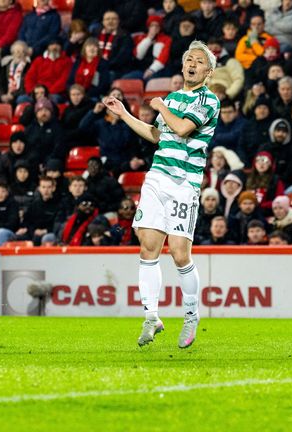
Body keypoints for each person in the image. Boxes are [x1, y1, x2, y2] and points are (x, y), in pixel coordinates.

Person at [103, 41, 220, 349]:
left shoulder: (209, 100)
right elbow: (157, 135)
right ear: (182, 66)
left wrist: (161, 107)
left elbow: (181, 128)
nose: (192, 64)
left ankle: (191, 315)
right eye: (189, 59)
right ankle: (151, 316)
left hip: (184, 182)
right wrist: (125, 114)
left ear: (209, 71)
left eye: (199, 61)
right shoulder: (172, 98)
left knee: (180, 253)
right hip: (157, 177)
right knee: (148, 246)